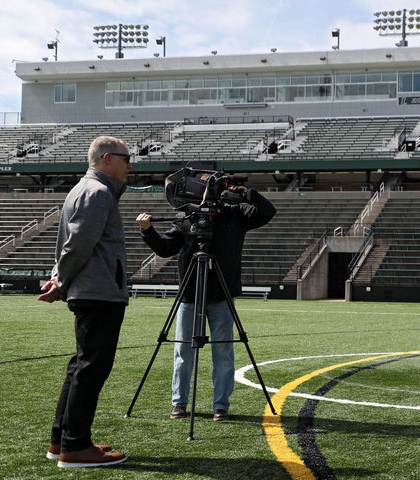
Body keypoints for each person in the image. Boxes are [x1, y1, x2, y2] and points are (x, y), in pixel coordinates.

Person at [136, 181, 275, 421]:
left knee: (223, 352)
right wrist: (147, 230)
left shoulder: (236, 214)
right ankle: (178, 404)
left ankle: (221, 406)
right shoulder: (187, 217)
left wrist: (243, 193)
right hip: (190, 295)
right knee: (182, 351)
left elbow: (267, 211)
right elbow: (166, 248)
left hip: (222, 294)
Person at [38, 136, 132, 468]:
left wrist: (57, 277)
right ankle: (75, 447)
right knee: (92, 368)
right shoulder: (97, 192)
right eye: (126, 158)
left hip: (93, 289)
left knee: (81, 365)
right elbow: (78, 245)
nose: (129, 165)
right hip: (98, 291)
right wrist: (61, 281)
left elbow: (70, 242)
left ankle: (62, 439)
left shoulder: (87, 190)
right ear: (108, 158)